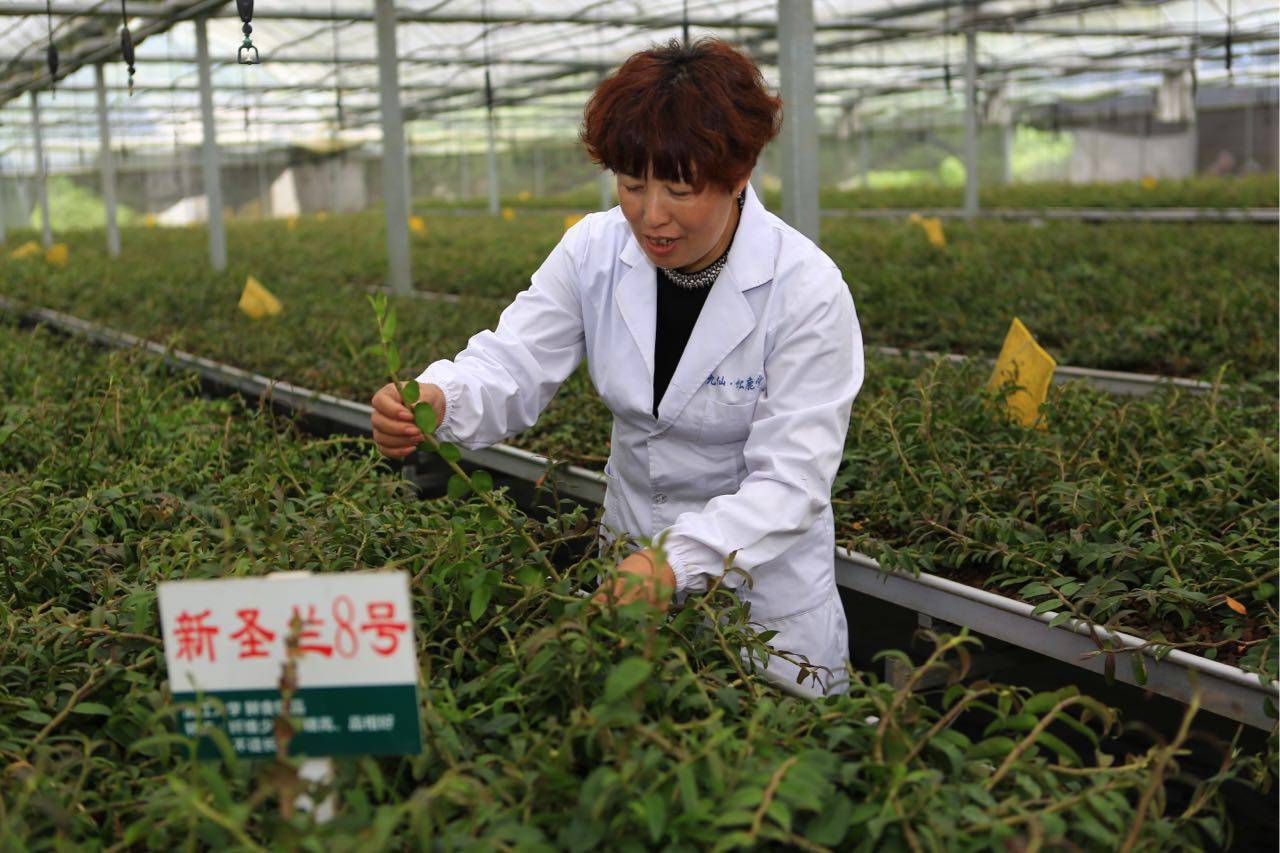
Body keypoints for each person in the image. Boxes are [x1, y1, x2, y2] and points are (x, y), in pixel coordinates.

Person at [371, 38, 864, 696]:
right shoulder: (594, 251)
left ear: (739, 172)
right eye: (632, 184)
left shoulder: (805, 289)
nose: (650, 215)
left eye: (680, 189)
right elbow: (515, 358)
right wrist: (439, 397)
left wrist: (672, 562)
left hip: (762, 610)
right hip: (627, 581)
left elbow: (791, 483)